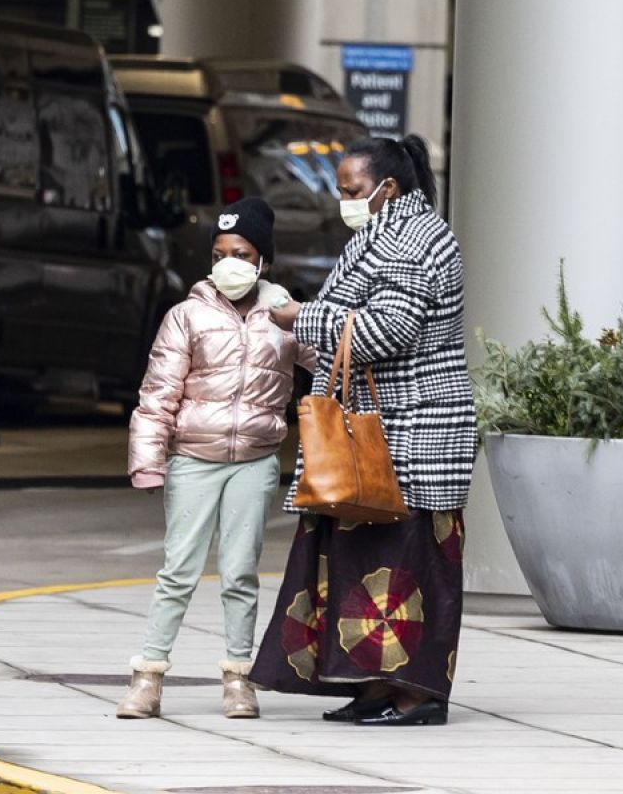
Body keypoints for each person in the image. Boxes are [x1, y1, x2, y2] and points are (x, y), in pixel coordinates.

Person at [250, 135, 477, 727]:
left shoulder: (407, 239)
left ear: (389, 188)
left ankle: (416, 693)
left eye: (352, 191)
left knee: (408, 561)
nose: (345, 201)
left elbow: (388, 330)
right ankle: (378, 685)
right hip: (391, 427)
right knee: (371, 556)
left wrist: (305, 316)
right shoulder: (392, 232)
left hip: (412, 428)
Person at [118, 197, 315, 720]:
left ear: (263, 262)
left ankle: (238, 679)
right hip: (194, 459)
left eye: (243, 252)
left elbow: (331, 360)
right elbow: (158, 392)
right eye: (221, 252)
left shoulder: (286, 317)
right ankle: (148, 676)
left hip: (255, 460)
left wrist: (321, 319)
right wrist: (148, 459)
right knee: (178, 571)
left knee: (240, 573)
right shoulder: (186, 316)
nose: (230, 262)